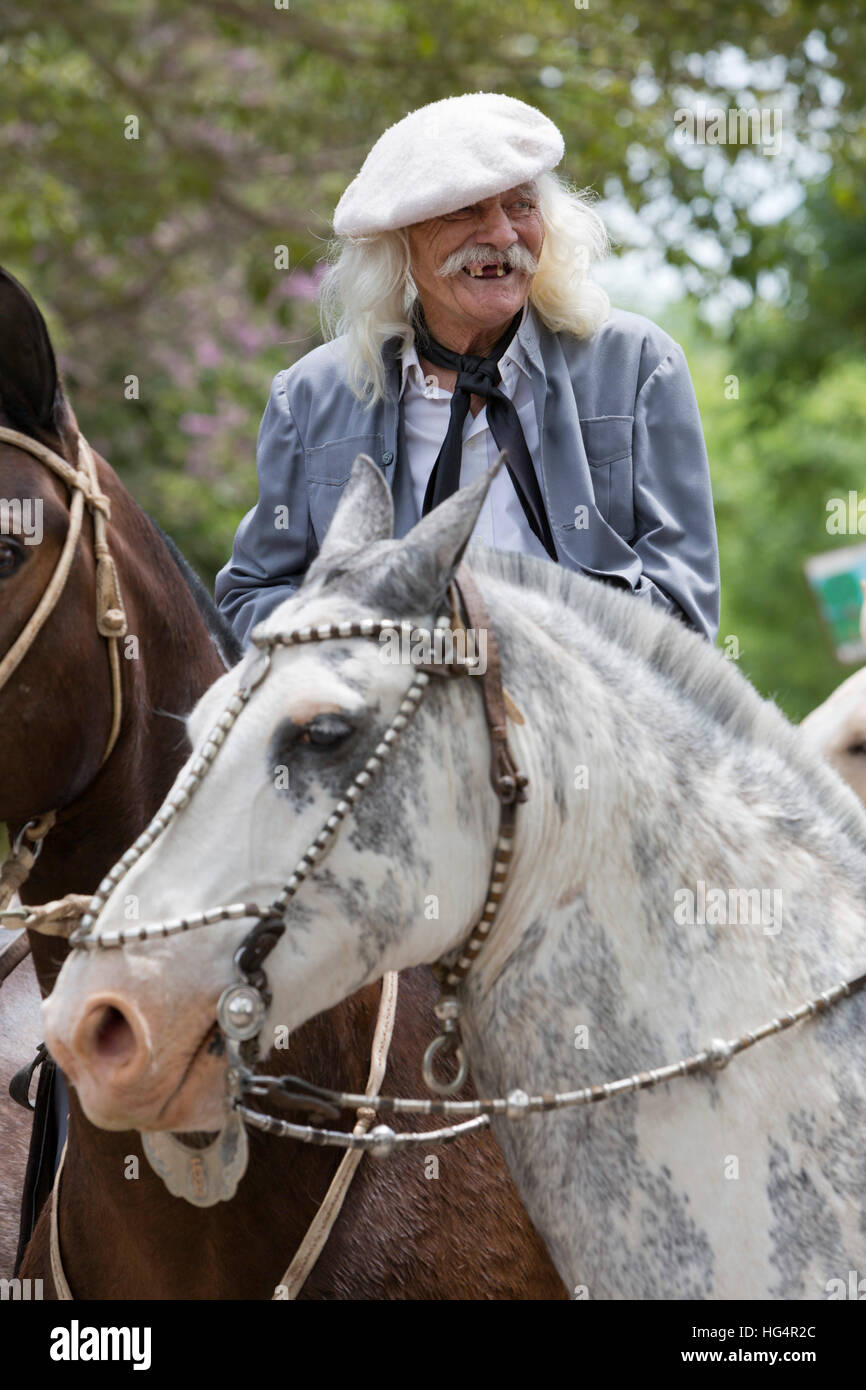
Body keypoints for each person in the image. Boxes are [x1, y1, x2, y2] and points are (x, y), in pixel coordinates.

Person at [216, 92, 720, 644]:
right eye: (465, 209)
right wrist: (362, 646)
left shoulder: (638, 367)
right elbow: (252, 596)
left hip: (591, 719)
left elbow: (684, 611)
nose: (502, 234)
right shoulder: (310, 398)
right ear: (399, 240)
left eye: (521, 205)